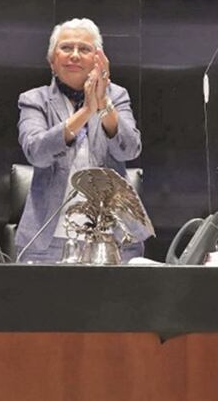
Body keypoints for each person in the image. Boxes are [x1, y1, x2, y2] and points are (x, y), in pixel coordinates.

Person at [15, 18, 145, 263]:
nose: (74, 55)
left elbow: (129, 150)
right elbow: (36, 153)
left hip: (114, 237)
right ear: (52, 61)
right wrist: (85, 111)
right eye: (66, 48)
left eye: (84, 49)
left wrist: (103, 101)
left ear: (98, 60)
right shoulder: (34, 100)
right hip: (48, 240)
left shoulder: (117, 96)